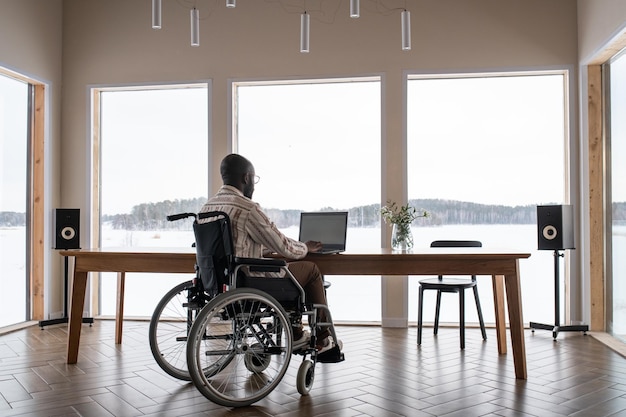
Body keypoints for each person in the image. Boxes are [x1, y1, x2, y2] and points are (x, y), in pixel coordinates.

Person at [199, 153, 341, 354]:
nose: (254, 185)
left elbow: (234, 245)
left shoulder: (207, 208)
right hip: (250, 282)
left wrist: (268, 247)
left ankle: (297, 331)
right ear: (246, 178)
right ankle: (323, 338)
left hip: (219, 283)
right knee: (310, 270)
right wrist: (305, 247)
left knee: (288, 273)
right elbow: (283, 246)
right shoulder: (247, 208)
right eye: (254, 180)